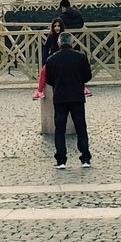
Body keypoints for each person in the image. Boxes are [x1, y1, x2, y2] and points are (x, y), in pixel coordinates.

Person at [44, 31, 92, 169]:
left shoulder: (52, 59)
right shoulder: (81, 57)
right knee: (81, 127)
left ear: (59, 43)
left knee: (60, 129)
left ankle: (61, 160)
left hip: (60, 97)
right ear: (72, 42)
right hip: (77, 96)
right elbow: (87, 76)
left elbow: (49, 80)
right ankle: (85, 158)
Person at [33, 18, 64, 100]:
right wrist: (44, 61)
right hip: (53, 59)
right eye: (55, 26)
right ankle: (39, 91)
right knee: (43, 72)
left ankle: (82, 88)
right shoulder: (51, 36)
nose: (57, 28)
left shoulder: (64, 35)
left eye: (59, 26)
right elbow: (46, 48)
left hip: (63, 58)